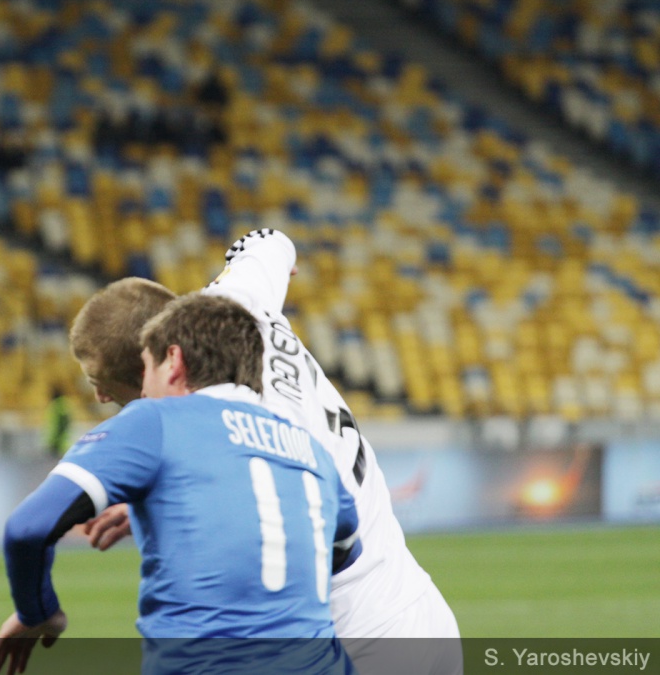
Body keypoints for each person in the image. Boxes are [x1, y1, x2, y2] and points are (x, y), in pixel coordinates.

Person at [69, 229, 462, 674]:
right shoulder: (236, 304)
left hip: (360, 638)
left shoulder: (245, 429)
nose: (102, 399)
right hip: (416, 608)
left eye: (111, 390)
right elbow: (270, 241)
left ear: (158, 369)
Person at [0, 294, 361, 675]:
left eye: (146, 367)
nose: (143, 390)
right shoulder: (311, 450)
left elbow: (28, 528)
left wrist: (39, 611)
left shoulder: (154, 419)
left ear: (173, 360)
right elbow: (342, 549)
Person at [42, 386, 72, 458]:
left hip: (58, 441)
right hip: (60, 440)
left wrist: (55, 439)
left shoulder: (58, 405)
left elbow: (61, 424)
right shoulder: (63, 404)